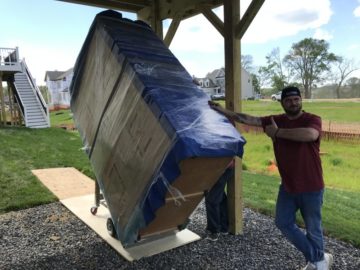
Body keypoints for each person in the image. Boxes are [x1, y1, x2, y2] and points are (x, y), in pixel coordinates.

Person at [208, 86, 333, 270]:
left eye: (296, 99)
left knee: (313, 228)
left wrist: (277, 133)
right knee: (282, 222)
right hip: (288, 186)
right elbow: (248, 119)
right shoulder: (276, 120)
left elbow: (310, 134)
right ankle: (319, 257)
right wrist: (222, 110)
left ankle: (316, 263)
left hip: (311, 186)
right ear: (282, 103)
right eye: (289, 100)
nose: (293, 103)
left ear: (301, 100)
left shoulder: (312, 119)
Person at [205, 162, 234, 241]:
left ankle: (214, 231)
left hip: (223, 168)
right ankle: (224, 228)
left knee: (211, 200)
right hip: (224, 167)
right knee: (219, 196)